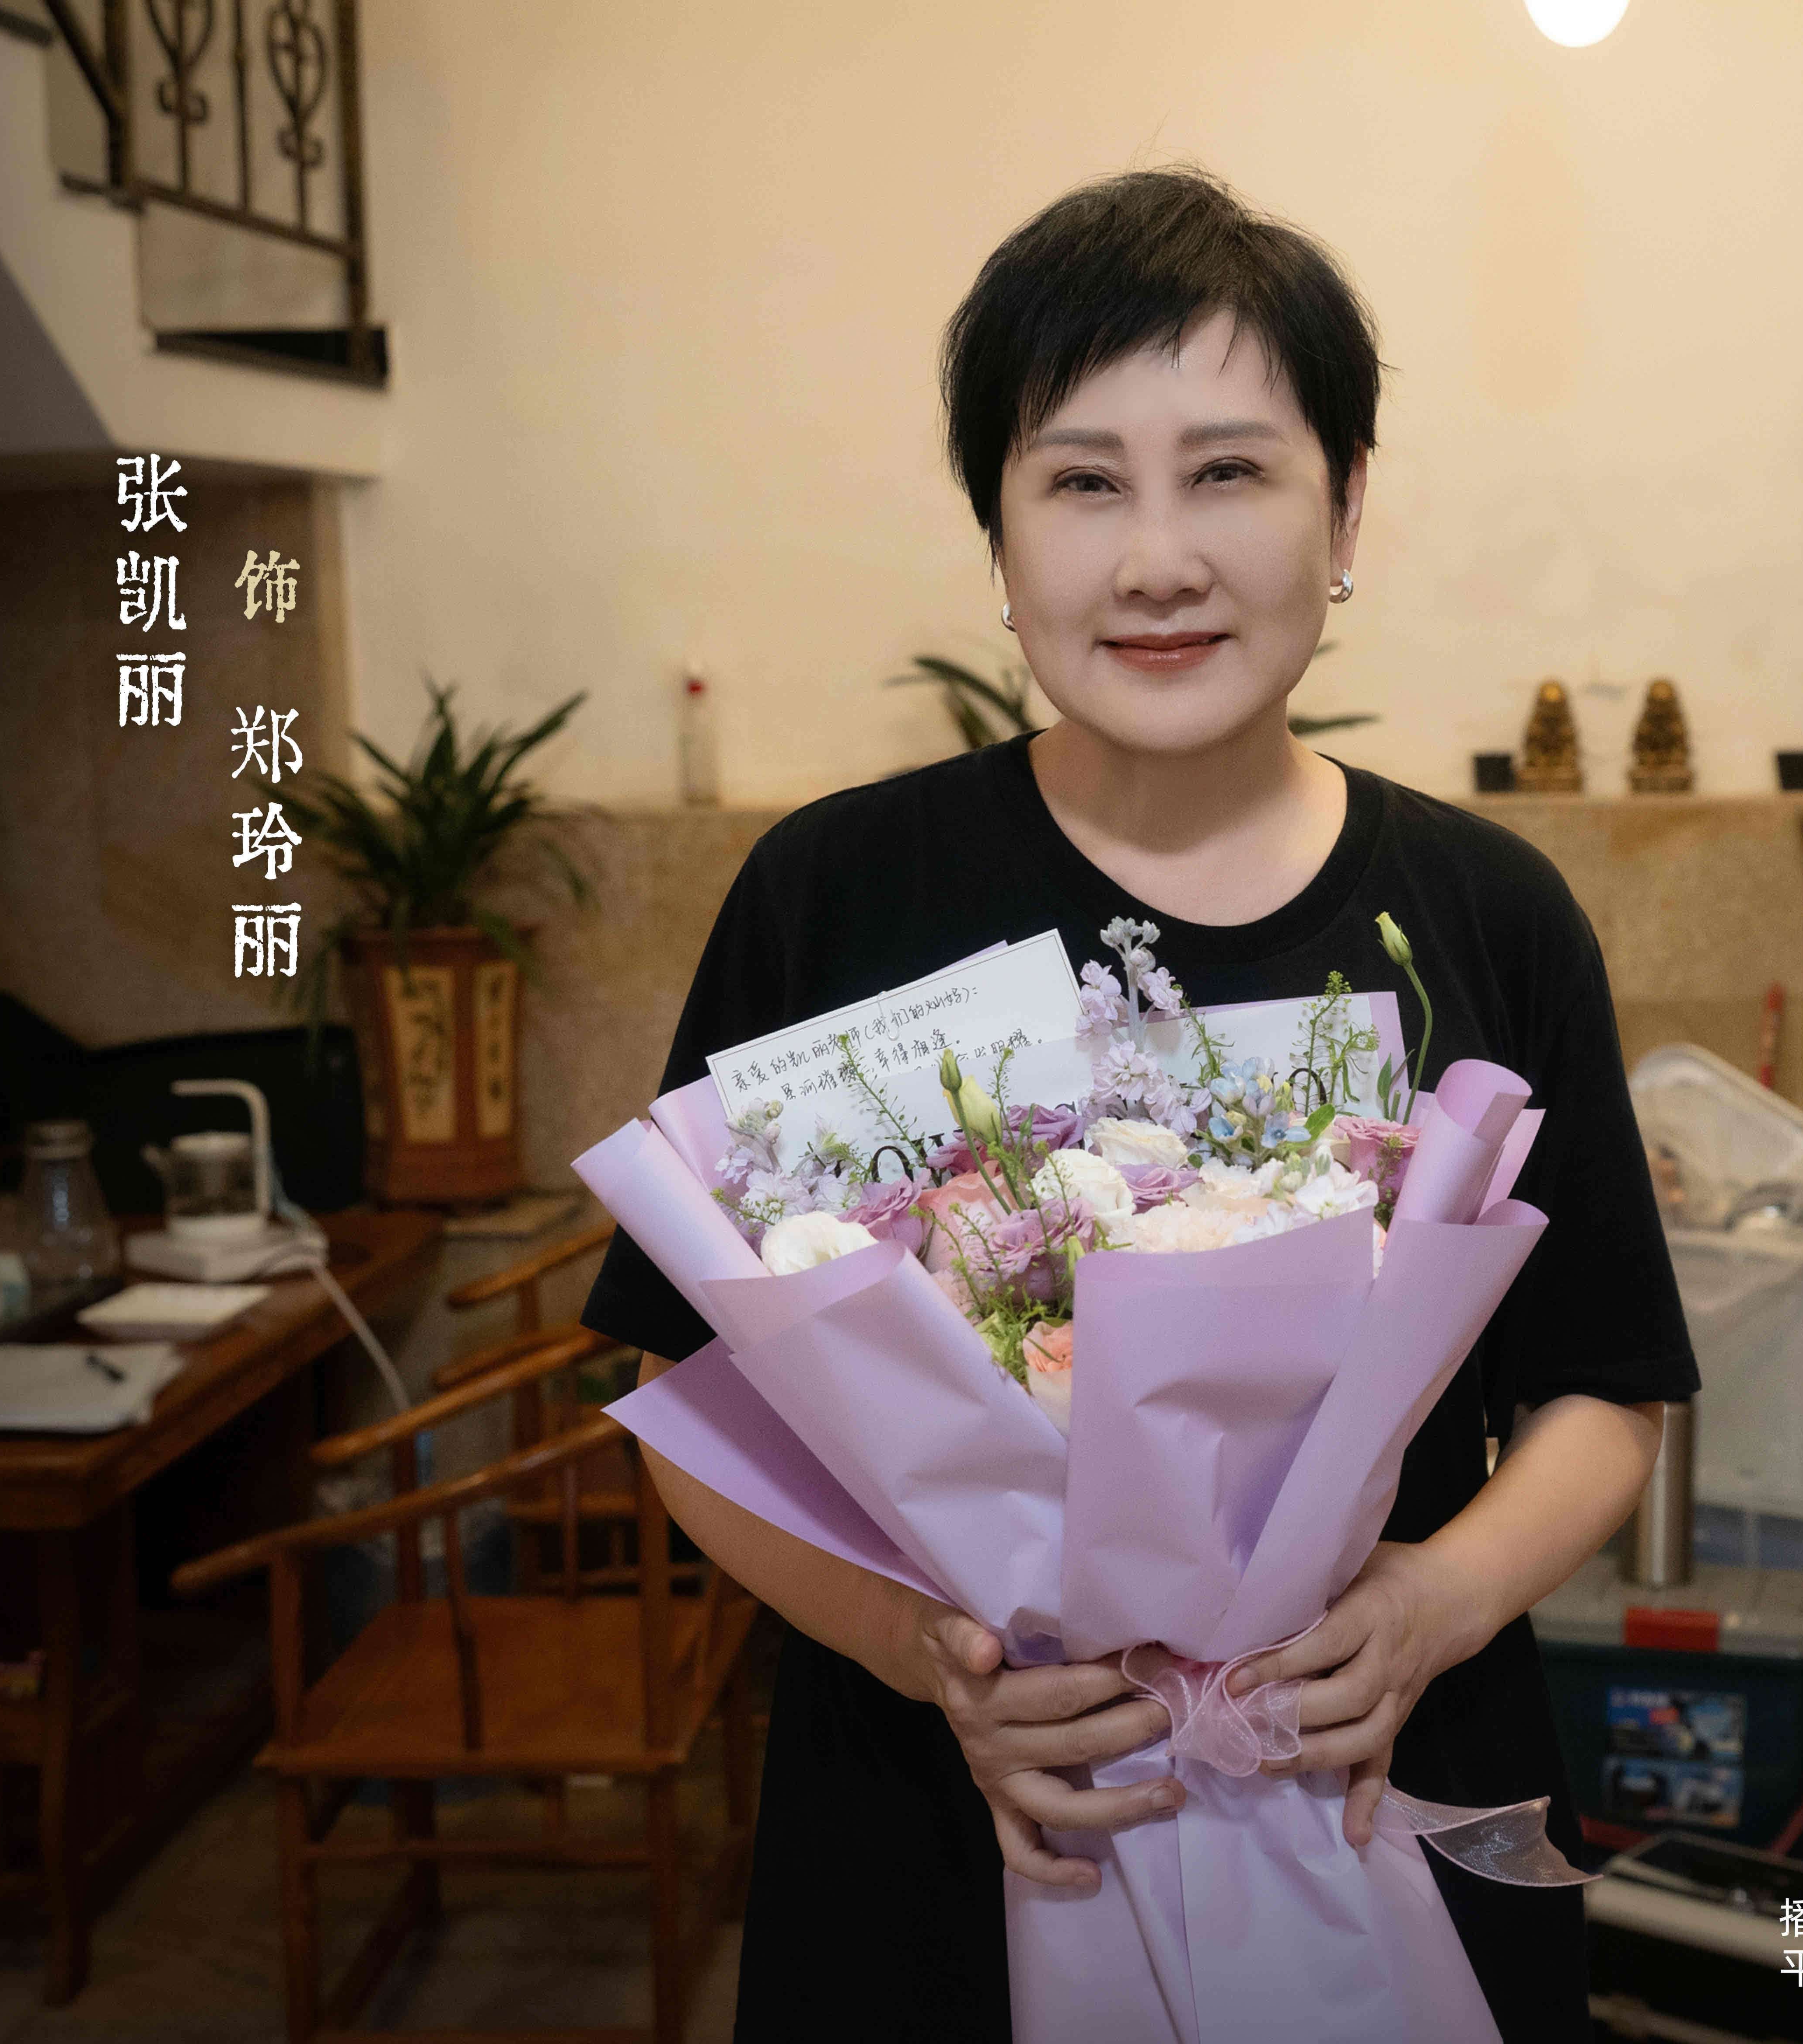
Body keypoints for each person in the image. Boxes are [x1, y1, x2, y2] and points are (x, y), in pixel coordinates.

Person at [578, 165, 1698, 2041]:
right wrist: (926, 1656)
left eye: (1230, 472)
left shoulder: (1489, 916)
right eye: (1083, 481)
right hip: (946, 1822)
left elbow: (1603, 1389)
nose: (1156, 559)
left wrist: (1433, 1604)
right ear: (999, 536)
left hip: (1372, 1774)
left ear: (1346, 509)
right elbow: (689, 1401)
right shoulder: (837, 894)